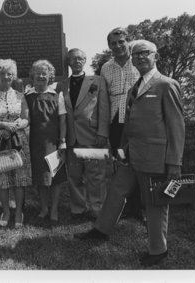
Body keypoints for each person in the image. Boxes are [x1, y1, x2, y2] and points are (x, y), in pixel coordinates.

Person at [76, 40, 185, 267]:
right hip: (130, 155)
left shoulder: (166, 84)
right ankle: (101, 230)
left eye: (145, 53)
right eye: (136, 55)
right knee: (116, 190)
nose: (140, 58)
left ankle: (158, 250)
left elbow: (176, 127)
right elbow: (128, 125)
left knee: (155, 204)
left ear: (156, 56)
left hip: (155, 158)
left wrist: (174, 163)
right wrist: (122, 150)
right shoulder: (134, 87)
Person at [56, 48, 110, 219]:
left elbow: (104, 108)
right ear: (68, 63)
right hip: (72, 138)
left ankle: (97, 209)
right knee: (74, 176)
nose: (76, 61)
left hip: (93, 136)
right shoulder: (61, 85)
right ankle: (78, 209)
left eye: (80, 58)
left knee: (96, 176)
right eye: (73, 59)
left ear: (85, 60)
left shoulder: (98, 81)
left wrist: (103, 133)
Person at [0, 59, 31, 228]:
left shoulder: (20, 95)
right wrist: (3, 124)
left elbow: (26, 118)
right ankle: (6, 211)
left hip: (17, 141)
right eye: (2, 74)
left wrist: (18, 125)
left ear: (13, 76)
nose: (6, 77)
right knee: (1, 177)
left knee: (19, 178)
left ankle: (18, 212)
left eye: (9, 74)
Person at [100, 27, 143, 220]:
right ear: (109, 46)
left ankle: (141, 207)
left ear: (128, 42)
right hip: (116, 120)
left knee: (141, 162)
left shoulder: (140, 61)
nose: (117, 46)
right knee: (122, 163)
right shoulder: (106, 68)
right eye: (113, 43)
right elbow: (103, 98)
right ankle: (127, 206)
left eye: (121, 42)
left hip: (139, 118)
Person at [25, 60, 66, 225]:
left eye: (44, 73)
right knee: (41, 178)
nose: (41, 76)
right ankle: (44, 208)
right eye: (38, 73)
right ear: (32, 75)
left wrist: (63, 141)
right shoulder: (27, 97)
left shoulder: (58, 96)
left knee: (55, 178)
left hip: (54, 143)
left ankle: (54, 209)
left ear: (50, 76)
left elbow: (63, 121)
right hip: (34, 143)